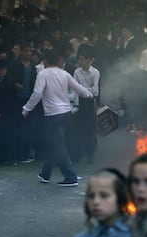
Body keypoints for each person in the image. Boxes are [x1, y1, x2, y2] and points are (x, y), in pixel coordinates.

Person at [22, 49, 94, 187]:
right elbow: (78, 88)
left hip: (52, 114)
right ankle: (45, 173)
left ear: (46, 60)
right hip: (66, 113)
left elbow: (37, 93)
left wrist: (27, 108)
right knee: (56, 143)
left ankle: (70, 176)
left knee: (58, 144)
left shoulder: (43, 74)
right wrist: (89, 95)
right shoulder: (64, 73)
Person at [44, 168, 133, 237]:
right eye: (91, 196)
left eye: (104, 196)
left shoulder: (140, 236)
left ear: (120, 198)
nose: (95, 201)